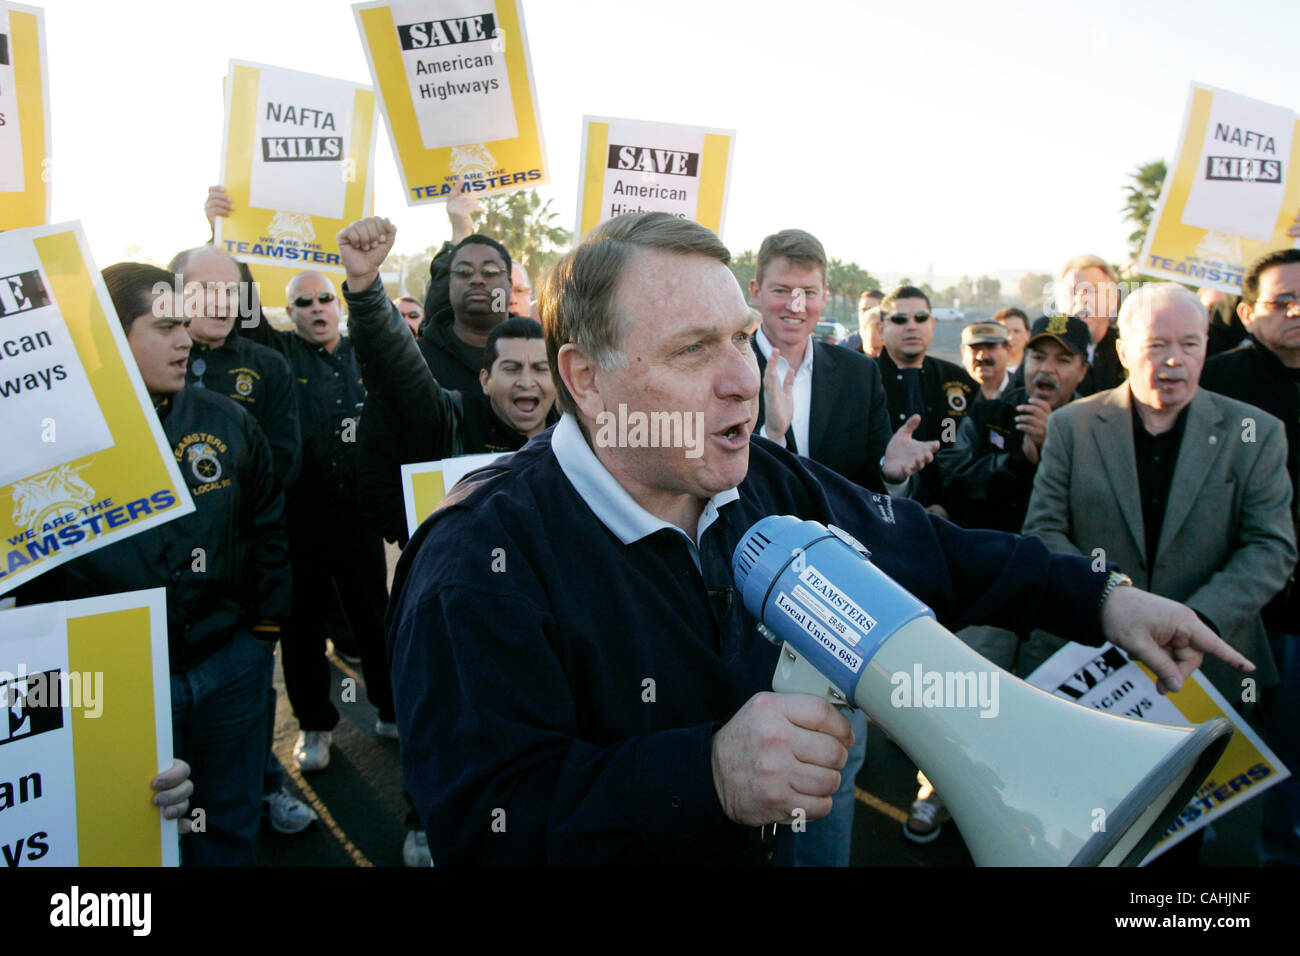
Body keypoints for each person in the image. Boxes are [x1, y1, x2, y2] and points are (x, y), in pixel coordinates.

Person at [385, 212, 1256, 866]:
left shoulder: (761, 477)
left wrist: (1102, 598)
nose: (744, 380)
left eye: (740, 338)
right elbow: (485, 820)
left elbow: (928, 549)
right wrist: (707, 776)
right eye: (695, 350)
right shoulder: (477, 564)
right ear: (586, 377)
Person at [24, 263, 292, 866]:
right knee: (130, 843)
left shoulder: (227, 421)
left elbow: (268, 529)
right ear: (113, 337)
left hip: (230, 669)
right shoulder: (53, 438)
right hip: (113, 686)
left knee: (225, 829)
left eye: (184, 325)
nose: (187, 339)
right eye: (165, 325)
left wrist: (262, 635)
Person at [241, 270, 396, 774]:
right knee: (301, 628)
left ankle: (392, 709)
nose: (315, 307)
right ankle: (314, 723)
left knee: (375, 621)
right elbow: (240, 309)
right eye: (302, 302)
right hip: (297, 521)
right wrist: (219, 230)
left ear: (339, 303)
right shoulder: (276, 355)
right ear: (289, 312)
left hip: (359, 518)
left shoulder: (365, 352)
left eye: (324, 297)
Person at [1199, 248, 1300, 866]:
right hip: (1240, 608)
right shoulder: (1218, 383)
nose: (1298, 312)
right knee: (1229, 752)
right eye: (1282, 301)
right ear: (1247, 311)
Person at [875, 285, 978, 511]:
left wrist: (947, 506)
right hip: (880, 513)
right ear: (881, 329)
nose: (912, 326)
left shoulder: (958, 381)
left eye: (920, 318)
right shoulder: (862, 380)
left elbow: (958, 448)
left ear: (931, 324)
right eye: (900, 319)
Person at [1057, 254, 1125, 395]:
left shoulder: (1131, 351)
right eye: (1073, 291)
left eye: (1092, 291)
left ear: (1113, 299)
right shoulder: (1041, 351)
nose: (1082, 300)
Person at [960, 321, 1011, 402]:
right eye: (975, 348)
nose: (982, 356)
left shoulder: (1024, 391)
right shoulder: (952, 392)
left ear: (1008, 351)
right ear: (963, 354)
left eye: (991, 347)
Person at [843, 289, 884, 355]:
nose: (867, 314)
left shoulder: (896, 344)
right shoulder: (845, 347)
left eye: (871, 309)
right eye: (863, 310)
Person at [993, 306, 1030, 380]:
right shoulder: (985, 371)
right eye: (1005, 332)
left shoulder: (1036, 371)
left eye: (1017, 331)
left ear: (1028, 335)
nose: (1011, 337)